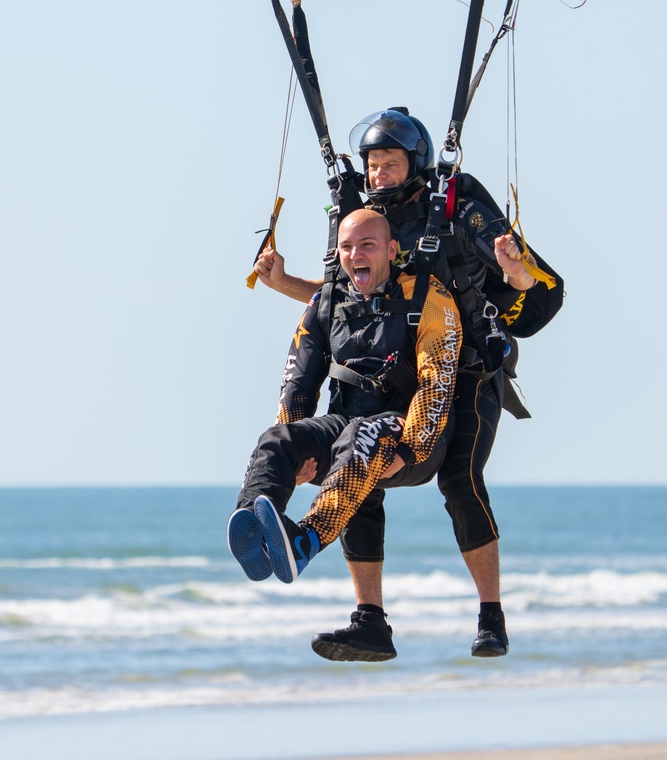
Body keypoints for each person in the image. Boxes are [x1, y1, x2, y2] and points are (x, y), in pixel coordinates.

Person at [254, 107, 563, 658]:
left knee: (461, 482)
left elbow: (540, 290)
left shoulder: (457, 209)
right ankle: (370, 619)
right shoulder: (362, 220)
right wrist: (283, 284)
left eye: (390, 165)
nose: (377, 177)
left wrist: (515, 273)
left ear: (413, 166)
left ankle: (491, 614)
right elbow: (350, 303)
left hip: (462, 369)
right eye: (372, 166)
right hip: (391, 370)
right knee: (359, 465)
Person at [229, 208, 461, 663]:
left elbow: (438, 382)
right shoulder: (327, 301)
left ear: (392, 251)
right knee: (275, 440)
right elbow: (299, 377)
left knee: (362, 434)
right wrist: (294, 445)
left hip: (407, 435)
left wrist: (412, 450)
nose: (356, 254)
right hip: (345, 430)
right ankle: (255, 526)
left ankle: (304, 541)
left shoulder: (428, 297)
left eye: (368, 245)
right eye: (348, 247)